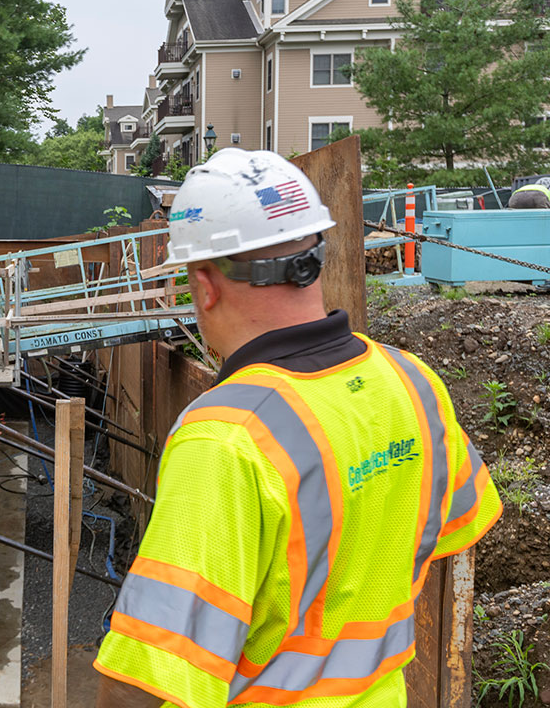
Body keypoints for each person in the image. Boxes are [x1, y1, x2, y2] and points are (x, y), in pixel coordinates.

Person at [94, 149, 501, 708]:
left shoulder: (227, 437)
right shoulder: (412, 382)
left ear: (206, 285)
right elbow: (455, 530)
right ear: (315, 256)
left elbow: (145, 676)